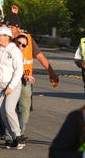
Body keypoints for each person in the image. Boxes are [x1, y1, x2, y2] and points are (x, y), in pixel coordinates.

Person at [5, 7, 60, 136]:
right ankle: (10, 135)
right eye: (8, 27)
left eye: (12, 27)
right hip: (8, 80)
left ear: (18, 28)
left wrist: (51, 72)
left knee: (24, 109)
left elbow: (40, 56)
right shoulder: (5, 41)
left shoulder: (28, 40)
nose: (10, 30)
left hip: (25, 81)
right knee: (9, 109)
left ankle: (20, 133)